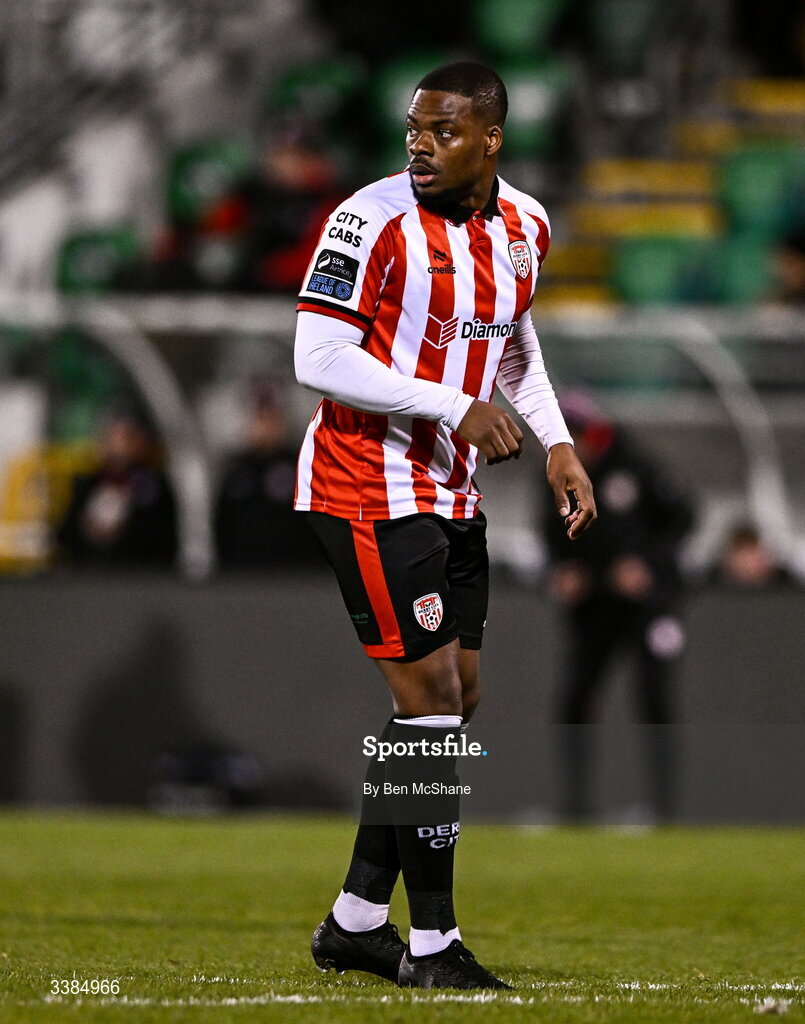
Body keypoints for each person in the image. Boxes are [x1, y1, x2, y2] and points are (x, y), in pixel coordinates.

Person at [293, 62, 596, 990]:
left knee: (454, 703)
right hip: (364, 484)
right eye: (414, 128)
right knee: (427, 703)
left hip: (453, 491)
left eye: (443, 130)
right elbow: (316, 354)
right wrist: (447, 406)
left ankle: (352, 922)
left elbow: (511, 343)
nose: (419, 144)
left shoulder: (526, 227)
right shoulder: (368, 219)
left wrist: (556, 443)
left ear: (490, 139)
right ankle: (431, 946)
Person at [541, 392, 693, 824]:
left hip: (646, 607)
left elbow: (683, 518)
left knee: (654, 700)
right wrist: (563, 569)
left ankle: (663, 810)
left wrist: (647, 564)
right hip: (596, 608)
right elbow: (551, 531)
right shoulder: (556, 475)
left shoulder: (635, 466)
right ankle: (575, 807)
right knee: (574, 699)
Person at [214, 382, 322, 570]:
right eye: (260, 419)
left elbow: (312, 521)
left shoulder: (300, 465)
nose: (265, 427)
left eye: (272, 419)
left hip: (293, 571)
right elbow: (223, 521)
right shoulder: (237, 468)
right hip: (241, 570)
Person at [56, 405, 178, 569]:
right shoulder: (88, 483)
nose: (119, 444)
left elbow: (160, 539)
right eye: (113, 436)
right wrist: (88, 529)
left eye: (128, 437)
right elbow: (63, 534)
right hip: (86, 575)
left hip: (135, 578)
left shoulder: (154, 487)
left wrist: (120, 532)